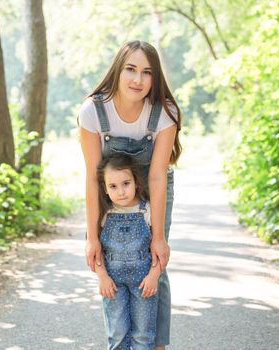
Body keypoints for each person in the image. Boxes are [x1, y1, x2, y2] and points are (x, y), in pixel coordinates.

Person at [78, 40, 182, 349]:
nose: (138, 80)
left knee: (155, 264)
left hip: (154, 189)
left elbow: (157, 175)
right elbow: (94, 177)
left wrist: (159, 237)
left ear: (155, 77)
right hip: (111, 191)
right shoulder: (94, 111)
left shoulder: (164, 111)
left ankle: (156, 345)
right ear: (117, 71)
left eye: (147, 73)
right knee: (109, 262)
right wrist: (92, 236)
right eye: (131, 70)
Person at [95, 153, 161, 350]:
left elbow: (160, 248)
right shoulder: (103, 213)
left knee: (143, 336)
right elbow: (95, 251)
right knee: (117, 335)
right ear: (105, 189)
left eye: (126, 183)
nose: (121, 191)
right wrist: (102, 277)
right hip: (112, 284)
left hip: (144, 282)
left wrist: (154, 275)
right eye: (113, 186)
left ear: (136, 182)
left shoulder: (147, 210)